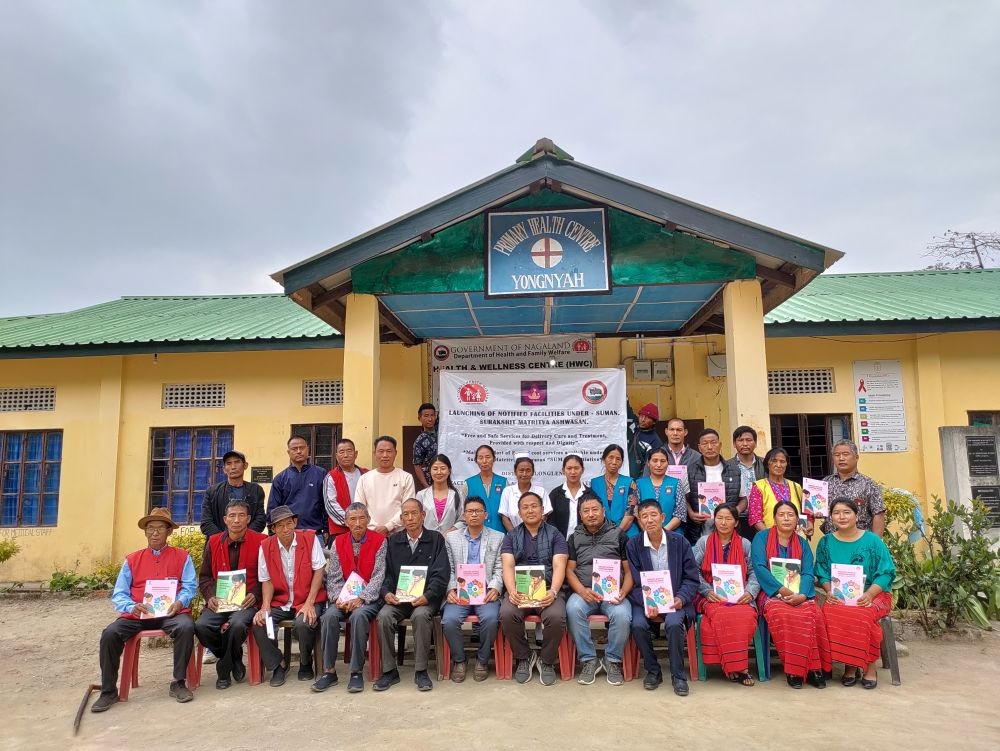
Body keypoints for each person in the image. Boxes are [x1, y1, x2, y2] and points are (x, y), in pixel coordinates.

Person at [92, 508, 198, 712]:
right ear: (145, 532)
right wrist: (132, 606)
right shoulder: (132, 560)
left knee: (186, 627)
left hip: (170, 613)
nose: (155, 533)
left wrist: (180, 602)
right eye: (150, 528)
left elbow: (189, 586)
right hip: (138, 614)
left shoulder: (182, 557)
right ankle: (108, 691)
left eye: (160, 528)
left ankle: (178, 682)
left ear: (169, 532)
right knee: (110, 634)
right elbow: (119, 594)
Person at [816, 498, 896, 689]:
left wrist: (869, 594)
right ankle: (850, 665)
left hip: (874, 595)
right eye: (836, 513)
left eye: (846, 512)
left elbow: (886, 572)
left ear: (856, 515)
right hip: (839, 596)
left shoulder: (873, 541)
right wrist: (828, 591)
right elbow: (821, 571)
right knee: (830, 611)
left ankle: (869, 666)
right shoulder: (825, 542)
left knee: (863, 613)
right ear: (831, 517)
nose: (841, 517)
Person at [750, 500, 831, 689]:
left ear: (797, 520)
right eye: (781, 514)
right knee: (783, 614)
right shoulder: (761, 538)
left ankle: (814, 668)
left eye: (790, 515)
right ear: (774, 518)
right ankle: (795, 669)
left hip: (800, 594)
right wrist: (783, 590)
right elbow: (760, 568)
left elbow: (808, 572)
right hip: (771, 593)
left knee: (814, 614)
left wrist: (803, 595)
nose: (786, 518)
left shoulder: (802, 543)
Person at [374, 498, 450, 692]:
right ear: (401, 518)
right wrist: (387, 593)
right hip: (399, 599)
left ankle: (421, 671)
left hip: (425, 599)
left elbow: (441, 574)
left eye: (414, 513)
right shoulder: (393, 541)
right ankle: (389, 671)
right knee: (383, 616)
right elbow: (387, 574)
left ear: (423, 516)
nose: (410, 518)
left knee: (421, 616)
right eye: (405, 514)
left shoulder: (436, 539)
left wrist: (428, 595)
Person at [626, 500, 700, 694]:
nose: (649, 520)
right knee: (638, 625)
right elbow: (633, 582)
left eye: (653, 515)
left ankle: (678, 675)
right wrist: (646, 602)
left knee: (674, 624)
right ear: (639, 521)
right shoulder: (633, 545)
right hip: (645, 601)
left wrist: (681, 598)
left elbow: (692, 578)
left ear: (662, 517)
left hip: (675, 600)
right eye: (644, 516)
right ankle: (653, 670)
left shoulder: (679, 542)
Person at [312, 503, 386, 694]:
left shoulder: (380, 541)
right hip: (344, 598)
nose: (358, 523)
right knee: (328, 617)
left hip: (368, 599)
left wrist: (361, 598)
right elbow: (334, 575)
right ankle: (329, 671)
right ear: (346, 522)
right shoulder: (338, 542)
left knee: (358, 617)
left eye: (362, 518)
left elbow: (379, 576)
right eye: (352, 519)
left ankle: (356, 671)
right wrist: (338, 598)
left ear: (368, 520)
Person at [251, 505, 327, 686]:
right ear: (273, 529)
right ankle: (278, 664)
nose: (286, 529)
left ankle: (305, 662)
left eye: (289, 523)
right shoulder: (265, 546)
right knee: (261, 623)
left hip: (307, 598)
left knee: (304, 623)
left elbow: (319, 570)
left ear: (295, 523)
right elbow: (266, 579)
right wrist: (265, 606)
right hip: (280, 601)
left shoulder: (309, 539)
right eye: (280, 526)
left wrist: (309, 603)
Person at [500, 491, 569, 686]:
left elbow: (559, 565)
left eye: (534, 506)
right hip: (520, 590)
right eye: (525, 507)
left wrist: (553, 591)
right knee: (506, 613)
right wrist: (512, 591)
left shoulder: (556, 534)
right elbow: (508, 565)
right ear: (519, 513)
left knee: (555, 617)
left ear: (542, 509)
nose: (530, 510)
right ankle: (524, 657)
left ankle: (546, 661)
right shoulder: (511, 536)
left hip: (547, 588)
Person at [195, 499, 265, 690]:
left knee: (237, 624)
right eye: (232, 516)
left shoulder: (261, 541)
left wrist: (255, 594)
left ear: (248, 519)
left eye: (241, 515)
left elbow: (268, 575)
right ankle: (233, 658)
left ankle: (223, 669)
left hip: (246, 603)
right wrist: (210, 597)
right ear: (225, 519)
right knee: (201, 626)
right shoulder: (213, 541)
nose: (236, 520)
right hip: (220, 601)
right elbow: (205, 576)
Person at [565, 495, 633, 686]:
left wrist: (623, 593)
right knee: (572, 609)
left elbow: (628, 572)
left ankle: (612, 660)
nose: (591, 514)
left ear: (603, 511)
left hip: (614, 594)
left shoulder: (619, 535)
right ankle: (589, 659)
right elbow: (569, 570)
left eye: (595, 509)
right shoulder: (574, 537)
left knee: (621, 615)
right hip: (585, 593)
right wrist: (581, 590)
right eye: (586, 511)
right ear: (580, 515)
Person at [692, 503, 760, 686]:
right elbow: (692, 571)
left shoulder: (745, 544)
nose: (723, 522)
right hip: (711, 596)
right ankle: (737, 667)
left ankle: (738, 666)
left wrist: (750, 592)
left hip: (740, 596)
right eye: (720, 518)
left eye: (728, 518)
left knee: (745, 615)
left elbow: (755, 572)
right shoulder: (704, 542)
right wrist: (706, 591)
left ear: (736, 522)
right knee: (721, 615)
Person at [442, 496, 505, 682]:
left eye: (478, 511)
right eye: (470, 511)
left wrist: (495, 587)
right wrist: (450, 589)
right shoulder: (451, 538)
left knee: (492, 618)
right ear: (464, 515)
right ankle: (459, 660)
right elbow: (449, 567)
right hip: (460, 591)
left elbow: (500, 568)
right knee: (449, 620)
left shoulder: (498, 537)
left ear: (486, 515)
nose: (474, 514)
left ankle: (482, 660)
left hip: (485, 591)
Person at [821, 440, 887, 536]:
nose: (841, 458)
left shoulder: (869, 485)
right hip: (833, 542)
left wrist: (876, 543)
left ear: (856, 457)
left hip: (861, 543)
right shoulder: (825, 483)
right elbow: (814, 509)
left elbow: (878, 514)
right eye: (837, 455)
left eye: (845, 454)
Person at [686, 429, 741, 544]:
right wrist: (691, 513)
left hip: (727, 529)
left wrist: (735, 511)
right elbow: (684, 498)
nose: (710, 447)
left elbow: (743, 499)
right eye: (705, 444)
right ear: (700, 447)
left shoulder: (734, 470)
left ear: (720, 445)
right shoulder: (690, 471)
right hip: (700, 529)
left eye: (713, 442)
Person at [354, 436, 415, 535]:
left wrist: (388, 526)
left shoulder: (406, 477)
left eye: (389, 451)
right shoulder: (364, 479)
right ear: (375, 454)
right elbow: (359, 508)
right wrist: (375, 527)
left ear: (395, 453)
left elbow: (408, 508)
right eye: (381, 451)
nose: (385, 455)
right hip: (371, 533)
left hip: (399, 533)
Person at [269, 435, 328, 537]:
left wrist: (327, 529)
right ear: (288, 452)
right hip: (288, 534)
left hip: (315, 533)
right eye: (294, 449)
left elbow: (326, 505)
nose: (299, 451)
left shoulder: (320, 474)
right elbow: (273, 509)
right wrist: (272, 533)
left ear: (308, 449)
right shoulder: (280, 478)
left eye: (302, 448)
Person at [199, 450, 267, 537]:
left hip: (248, 542)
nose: (233, 467)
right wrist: (225, 539)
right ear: (224, 469)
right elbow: (206, 522)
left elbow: (260, 519)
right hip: (219, 543)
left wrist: (244, 536)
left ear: (245, 465)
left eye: (237, 462)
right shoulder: (212, 492)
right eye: (229, 463)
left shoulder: (256, 490)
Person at [748, 447, 811, 536]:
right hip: (770, 539)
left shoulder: (796, 487)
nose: (778, 465)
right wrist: (770, 537)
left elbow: (807, 512)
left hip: (796, 538)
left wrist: (809, 525)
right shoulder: (759, 487)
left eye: (782, 461)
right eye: (774, 461)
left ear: (786, 464)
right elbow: (755, 518)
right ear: (767, 464)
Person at [724, 426, 767, 538]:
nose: (745, 444)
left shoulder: (766, 464)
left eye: (749, 440)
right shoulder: (726, 466)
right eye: (740, 440)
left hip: (762, 518)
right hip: (738, 518)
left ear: (755, 443)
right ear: (734, 444)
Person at [589, 444, 640, 537]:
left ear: (621, 462)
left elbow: (630, 514)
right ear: (603, 460)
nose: (614, 462)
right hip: (601, 534)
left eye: (618, 459)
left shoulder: (630, 483)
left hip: (627, 533)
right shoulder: (594, 483)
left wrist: (616, 534)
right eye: (610, 457)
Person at [323, 438, 368, 539]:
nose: (346, 455)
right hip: (340, 532)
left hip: (367, 529)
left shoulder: (367, 474)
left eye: (349, 451)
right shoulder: (331, 477)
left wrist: (364, 522)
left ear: (356, 454)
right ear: (336, 456)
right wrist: (351, 522)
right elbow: (331, 505)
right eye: (342, 452)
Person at [636, 447, 686, 533]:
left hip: (672, 533)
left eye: (663, 461)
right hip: (645, 533)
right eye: (655, 461)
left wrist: (663, 532)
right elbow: (636, 513)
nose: (659, 465)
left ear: (667, 463)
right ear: (648, 463)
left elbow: (680, 514)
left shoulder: (676, 483)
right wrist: (648, 532)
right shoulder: (638, 484)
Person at [463, 444, 508, 533]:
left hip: (500, 533)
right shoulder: (468, 483)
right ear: (476, 460)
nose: (484, 461)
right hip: (475, 534)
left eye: (488, 457)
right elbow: (463, 512)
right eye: (480, 458)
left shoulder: (504, 482)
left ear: (494, 459)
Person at [415, 454, 464, 532]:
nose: (439, 472)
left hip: (450, 541)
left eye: (443, 468)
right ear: (430, 471)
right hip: (427, 541)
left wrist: (450, 532)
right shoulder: (421, 495)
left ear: (449, 471)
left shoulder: (458, 494)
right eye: (435, 469)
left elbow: (462, 520)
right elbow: (416, 519)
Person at [498, 454, 549, 531]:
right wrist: (516, 536)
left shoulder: (541, 491)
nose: (524, 474)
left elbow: (544, 515)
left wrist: (533, 534)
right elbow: (504, 517)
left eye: (528, 470)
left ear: (532, 472)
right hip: (514, 537)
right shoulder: (507, 491)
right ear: (515, 472)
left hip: (538, 536)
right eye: (521, 470)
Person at [548, 453, 588, 539]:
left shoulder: (590, 494)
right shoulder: (555, 494)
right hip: (559, 543)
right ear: (563, 470)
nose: (573, 472)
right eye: (569, 468)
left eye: (576, 468)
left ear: (583, 470)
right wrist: (558, 538)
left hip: (585, 544)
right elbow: (550, 521)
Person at [412, 403, 438, 490]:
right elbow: (417, 465)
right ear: (419, 418)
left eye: (432, 415)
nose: (430, 419)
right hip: (432, 480)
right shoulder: (419, 441)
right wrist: (426, 485)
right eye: (426, 416)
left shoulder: (443, 432)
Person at [631, 403, 663, 474]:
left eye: (647, 417)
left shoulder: (655, 442)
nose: (643, 420)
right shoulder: (632, 431)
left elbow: (651, 467)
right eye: (641, 416)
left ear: (654, 421)